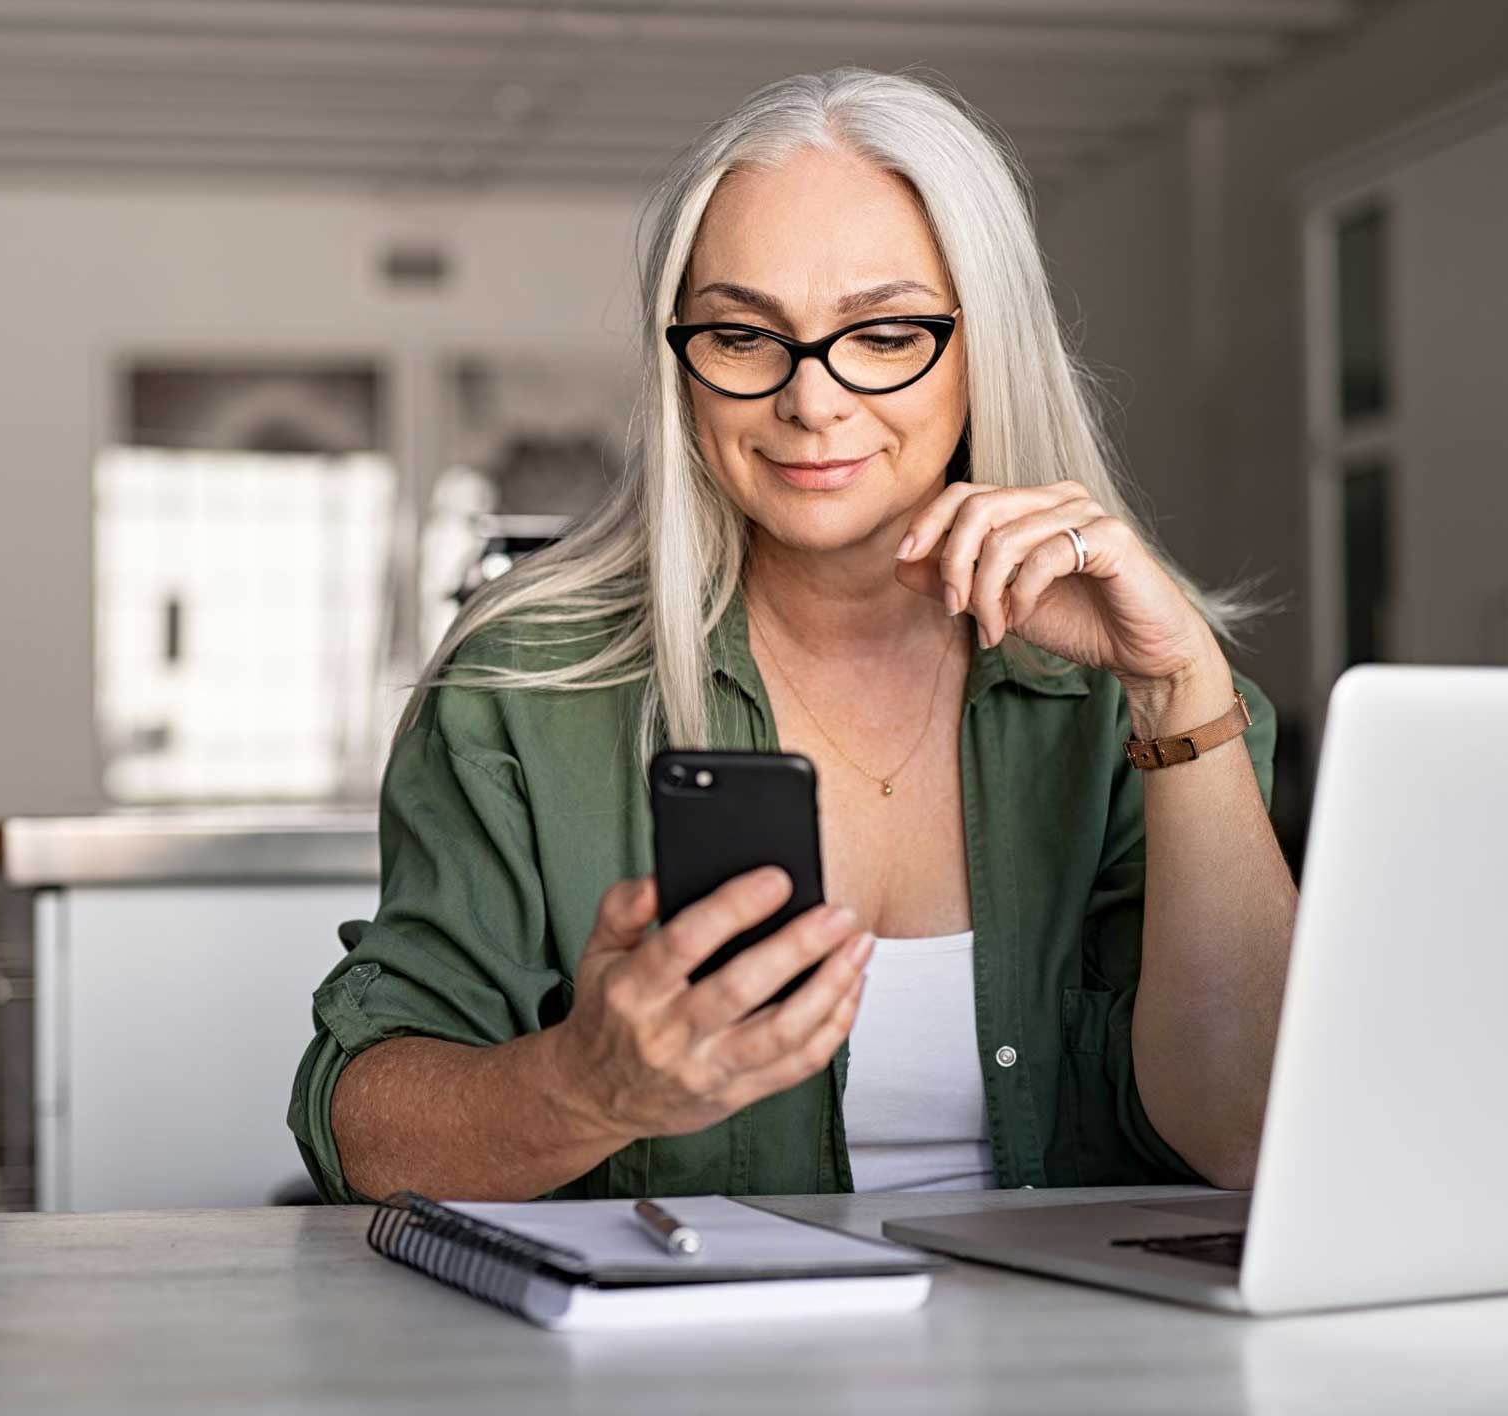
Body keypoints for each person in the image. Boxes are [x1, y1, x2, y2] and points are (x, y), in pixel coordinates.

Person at [288, 68, 1297, 1204]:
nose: (810, 402)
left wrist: (1179, 695)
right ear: (683, 367)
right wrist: (586, 1087)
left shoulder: (1149, 699)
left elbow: (1250, 1135)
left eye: (883, 334)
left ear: (986, 345)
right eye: (741, 335)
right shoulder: (525, 684)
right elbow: (363, 1131)